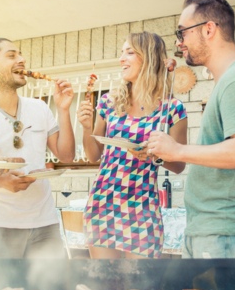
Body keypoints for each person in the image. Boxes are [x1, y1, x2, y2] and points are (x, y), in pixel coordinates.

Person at [146, 0, 235, 263]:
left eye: (183, 33)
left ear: (208, 30)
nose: (178, 43)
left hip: (227, 232)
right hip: (216, 231)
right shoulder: (230, 80)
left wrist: (178, 150)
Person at [78, 31, 188, 259]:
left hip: (142, 207)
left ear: (148, 58)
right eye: (122, 52)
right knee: (105, 284)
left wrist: (155, 155)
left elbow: (179, 165)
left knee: (139, 286)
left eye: (129, 52)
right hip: (103, 201)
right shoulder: (109, 101)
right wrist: (86, 127)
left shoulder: (172, 108)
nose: (122, 59)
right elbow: (93, 155)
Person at [0, 38, 75, 259]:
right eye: (11, 56)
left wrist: (63, 110)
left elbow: (66, 155)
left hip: (45, 224)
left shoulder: (39, 107)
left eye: (20, 55)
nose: (21, 60)